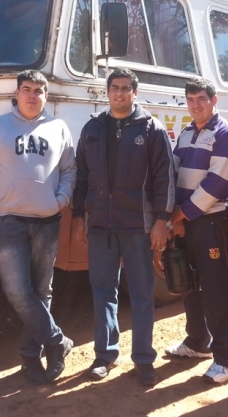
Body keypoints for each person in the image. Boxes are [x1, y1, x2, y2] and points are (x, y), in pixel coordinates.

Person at [0, 70, 76, 385]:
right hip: (8, 222)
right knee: (17, 291)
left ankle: (31, 358)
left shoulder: (58, 128)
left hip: (47, 221)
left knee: (42, 290)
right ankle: (58, 342)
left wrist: (60, 200)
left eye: (38, 90)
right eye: (26, 89)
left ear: (46, 95)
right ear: (16, 93)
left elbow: (70, 169)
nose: (32, 95)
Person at [71, 67, 174, 387]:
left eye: (125, 88)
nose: (119, 93)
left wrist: (161, 220)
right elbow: (81, 177)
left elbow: (164, 178)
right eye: (114, 87)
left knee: (143, 293)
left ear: (135, 92)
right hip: (101, 224)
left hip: (139, 225)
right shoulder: (93, 128)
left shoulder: (152, 128)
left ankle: (143, 359)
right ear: (107, 91)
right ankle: (105, 356)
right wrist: (78, 217)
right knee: (103, 292)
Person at [164, 77, 228, 385]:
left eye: (201, 99)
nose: (195, 104)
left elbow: (217, 183)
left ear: (214, 100)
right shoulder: (185, 133)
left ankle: (225, 359)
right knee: (190, 283)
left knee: (218, 288)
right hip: (187, 221)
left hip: (212, 221)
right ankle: (198, 343)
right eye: (191, 99)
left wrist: (180, 214)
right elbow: (175, 172)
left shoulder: (226, 135)